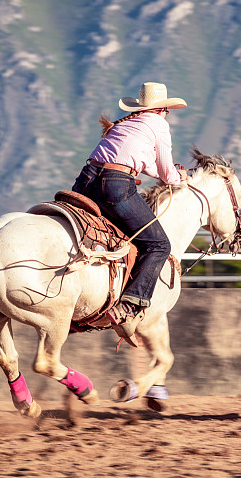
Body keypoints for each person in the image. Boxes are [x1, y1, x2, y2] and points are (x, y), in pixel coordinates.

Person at [71, 82, 188, 347]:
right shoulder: (158, 125)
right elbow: (167, 174)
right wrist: (179, 176)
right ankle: (127, 308)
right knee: (159, 244)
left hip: (86, 179)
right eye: (167, 110)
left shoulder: (126, 123)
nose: (167, 114)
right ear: (162, 109)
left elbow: (138, 161)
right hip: (115, 185)